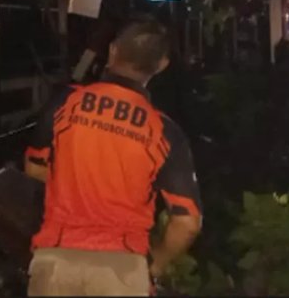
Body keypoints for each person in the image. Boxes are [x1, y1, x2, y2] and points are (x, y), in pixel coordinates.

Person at [24, 19, 202, 296]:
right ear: (161, 66)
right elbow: (187, 222)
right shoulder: (164, 131)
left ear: (112, 51)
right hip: (122, 271)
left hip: (57, 261)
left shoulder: (66, 103)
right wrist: (154, 266)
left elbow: (34, 170)